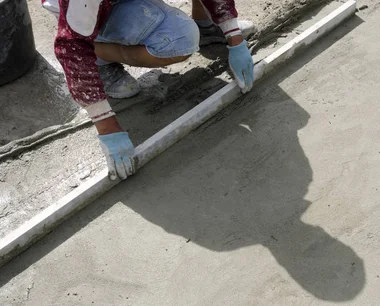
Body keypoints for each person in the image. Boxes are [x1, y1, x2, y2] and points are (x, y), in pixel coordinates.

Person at [42, 0, 256, 180]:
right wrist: (106, 126)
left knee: (187, 29)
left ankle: (206, 26)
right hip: (81, 13)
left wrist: (233, 36)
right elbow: (72, 46)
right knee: (180, 37)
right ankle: (99, 56)